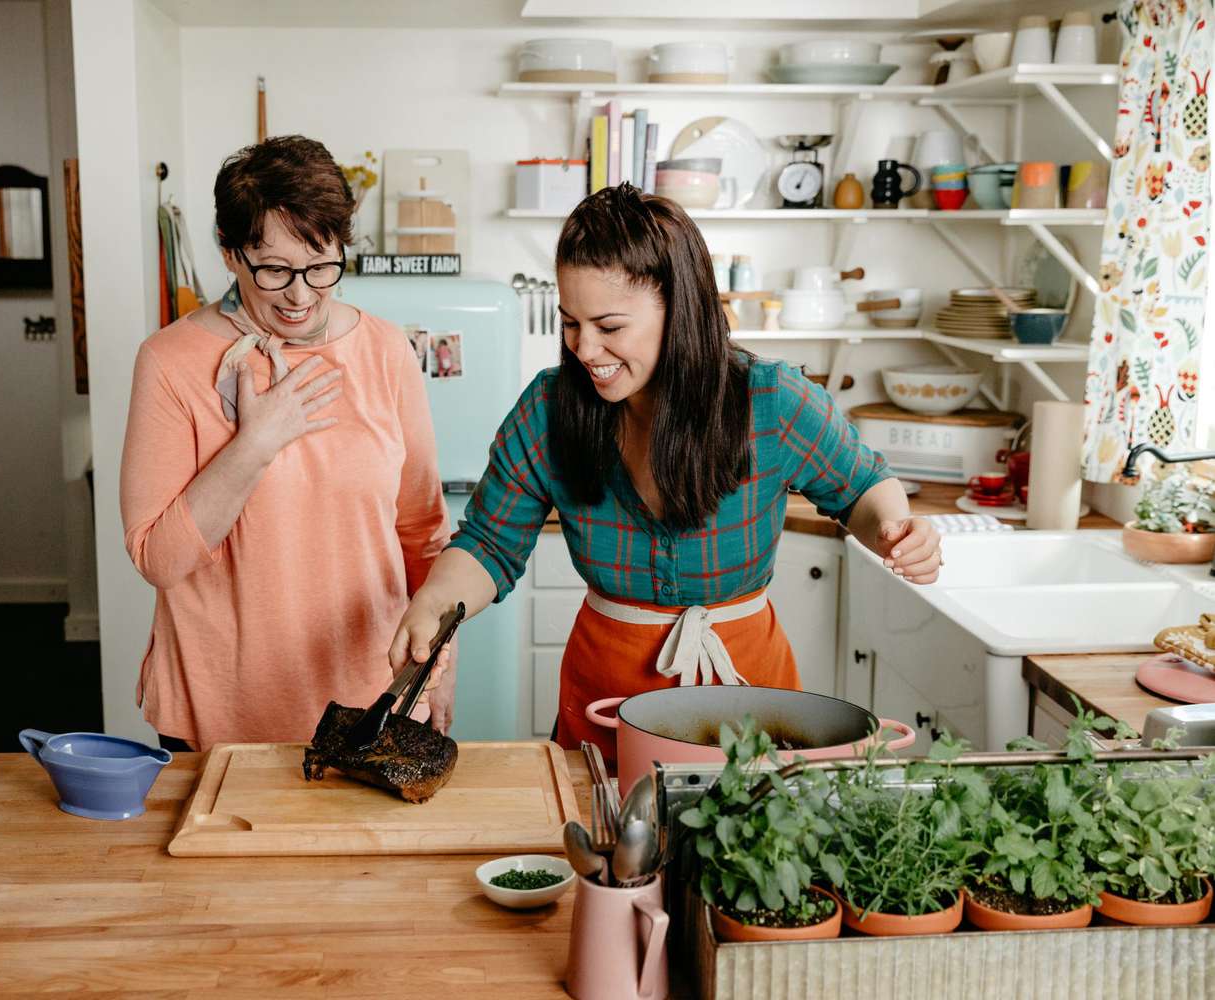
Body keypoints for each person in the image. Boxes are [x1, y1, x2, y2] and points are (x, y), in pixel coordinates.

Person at [388, 184, 941, 766]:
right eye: (570, 322)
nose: (583, 348)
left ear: (678, 308)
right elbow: (489, 544)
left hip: (748, 698)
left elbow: (862, 489)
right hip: (605, 703)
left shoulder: (771, 401)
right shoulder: (549, 409)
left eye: (608, 326)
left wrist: (894, 530)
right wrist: (433, 605)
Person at [121, 135, 452, 751]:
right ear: (229, 253)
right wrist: (255, 444)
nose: (300, 295)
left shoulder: (385, 351)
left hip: (369, 704)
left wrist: (439, 656)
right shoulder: (170, 362)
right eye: (273, 269)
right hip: (218, 713)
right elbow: (157, 559)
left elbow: (422, 533)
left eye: (321, 265)